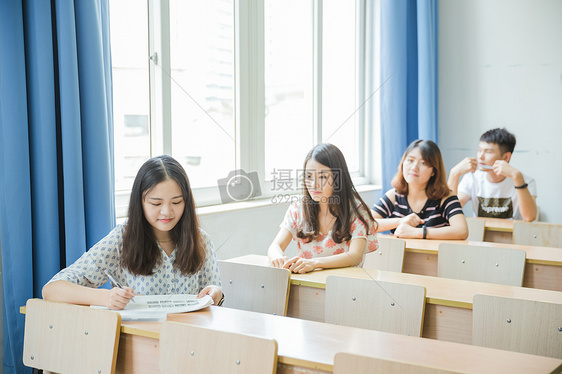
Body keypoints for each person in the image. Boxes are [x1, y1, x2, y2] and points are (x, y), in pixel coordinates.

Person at [42, 155, 223, 310]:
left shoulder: (201, 241)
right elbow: (51, 290)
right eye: (156, 203)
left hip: (189, 341)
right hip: (140, 342)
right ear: (140, 202)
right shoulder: (122, 240)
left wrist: (216, 294)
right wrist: (106, 298)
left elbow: (214, 294)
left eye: (176, 202)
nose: (167, 211)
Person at [268, 143, 378, 274]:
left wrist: (314, 263)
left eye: (323, 177)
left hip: (344, 285)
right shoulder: (298, 209)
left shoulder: (357, 211)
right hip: (308, 284)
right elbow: (275, 246)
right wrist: (278, 258)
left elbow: (354, 256)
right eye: (309, 176)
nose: (314, 184)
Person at [372, 140, 468, 240]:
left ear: (434, 171)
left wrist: (417, 232)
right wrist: (400, 221)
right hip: (399, 255)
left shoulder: (446, 197)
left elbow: (462, 231)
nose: (414, 168)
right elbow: (364, 224)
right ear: (402, 163)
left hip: (434, 255)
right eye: (410, 160)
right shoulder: (393, 196)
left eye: (423, 163)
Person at [447, 128, 537, 221]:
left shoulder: (525, 181)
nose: (480, 156)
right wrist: (454, 174)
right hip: (480, 235)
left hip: (511, 235)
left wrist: (517, 178)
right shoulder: (472, 178)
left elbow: (529, 217)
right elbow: (448, 210)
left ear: (506, 157)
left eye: (488, 152)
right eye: (479, 150)